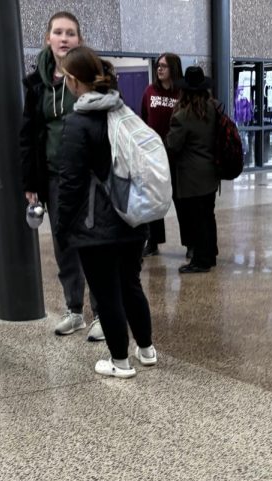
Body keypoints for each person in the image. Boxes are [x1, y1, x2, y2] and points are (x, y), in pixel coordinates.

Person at [56, 47, 157, 378]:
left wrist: (61, 228)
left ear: (74, 81)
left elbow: (70, 184)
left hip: (95, 225)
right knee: (131, 284)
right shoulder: (123, 113)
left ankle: (120, 362)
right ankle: (146, 350)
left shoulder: (77, 123)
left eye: (65, 76)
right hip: (133, 215)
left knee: (107, 292)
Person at [20, 11, 101, 342]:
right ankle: (74, 310)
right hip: (54, 176)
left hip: (90, 176)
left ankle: (101, 312)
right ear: (48, 39)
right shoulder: (37, 83)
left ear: (79, 40)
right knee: (63, 243)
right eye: (58, 32)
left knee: (94, 243)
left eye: (70, 33)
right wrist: (30, 183)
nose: (64, 38)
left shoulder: (93, 75)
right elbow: (27, 135)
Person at [166, 66, 221, 274]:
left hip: (191, 177)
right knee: (208, 215)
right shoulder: (213, 108)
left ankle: (200, 260)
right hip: (210, 173)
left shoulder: (182, 116)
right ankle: (211, 254)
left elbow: (172, 145)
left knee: (197, 220)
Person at [139, 52, 182, 257]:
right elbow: (144, 119)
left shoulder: (182, 93)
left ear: (173, 68)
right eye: (158, 65)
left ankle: (189, 242)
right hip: (154, 156)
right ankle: (153, 241)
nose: (159, 69)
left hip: (177, 155)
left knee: (181, 200)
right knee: (153, 199)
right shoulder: (150, 91)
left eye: (164, 66)